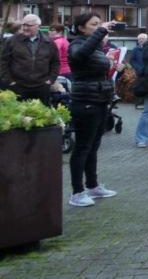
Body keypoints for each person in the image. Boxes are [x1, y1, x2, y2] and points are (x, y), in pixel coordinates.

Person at [67, 13, 118, 207]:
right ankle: (77, 191)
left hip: (100, 99)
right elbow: (80, 56)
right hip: (85, 101)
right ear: (81, 27)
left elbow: (97, 68)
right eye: (94, 24)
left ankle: (92, 185)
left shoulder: (96, 48)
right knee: (82, 147)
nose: (99, 27)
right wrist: (101, 31)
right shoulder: (77, 44)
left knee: (93, 146)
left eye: (100, 24)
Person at [0, 13, 59, 104]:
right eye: (23, 24)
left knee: (42, 115)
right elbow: (3, 62)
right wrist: (10, 81)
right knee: (18, 115)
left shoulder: (49, 43)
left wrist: (50, 80)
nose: (25, 28)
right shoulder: (12, 41)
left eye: (28, 25)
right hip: (18, 86)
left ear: (38, 26)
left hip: (41, 87)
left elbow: (55, 62)